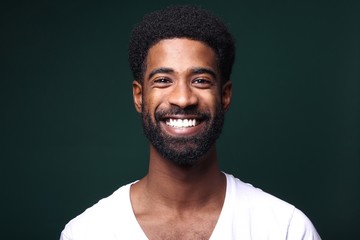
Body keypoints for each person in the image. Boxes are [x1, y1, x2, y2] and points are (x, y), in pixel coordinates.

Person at [60, 5, 321, 240]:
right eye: (163, 80)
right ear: (139, 96)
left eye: (200, 81)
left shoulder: (286, 230)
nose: (183, 99)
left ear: (225, 95)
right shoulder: (88, 232)